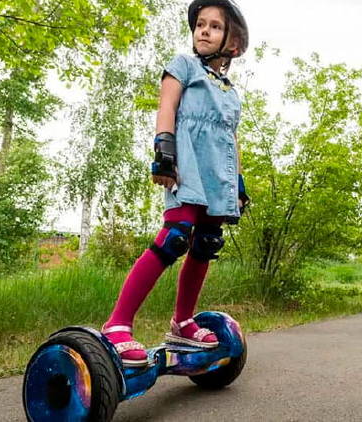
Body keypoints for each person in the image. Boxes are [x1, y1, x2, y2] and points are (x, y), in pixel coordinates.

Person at [101, 0, 250, 367]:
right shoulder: (183, 65)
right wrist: (164, 152)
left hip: (218, 176)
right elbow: (166, 107)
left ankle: (183, 322)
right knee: (175, 237)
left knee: (206, 244)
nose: (204, 30)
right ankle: (117, 323)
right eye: (201, 24)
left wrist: (239, 184)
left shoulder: (231, 92)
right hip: (188, 168)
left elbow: (231, 140)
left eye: (215, 26)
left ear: (232, 44)